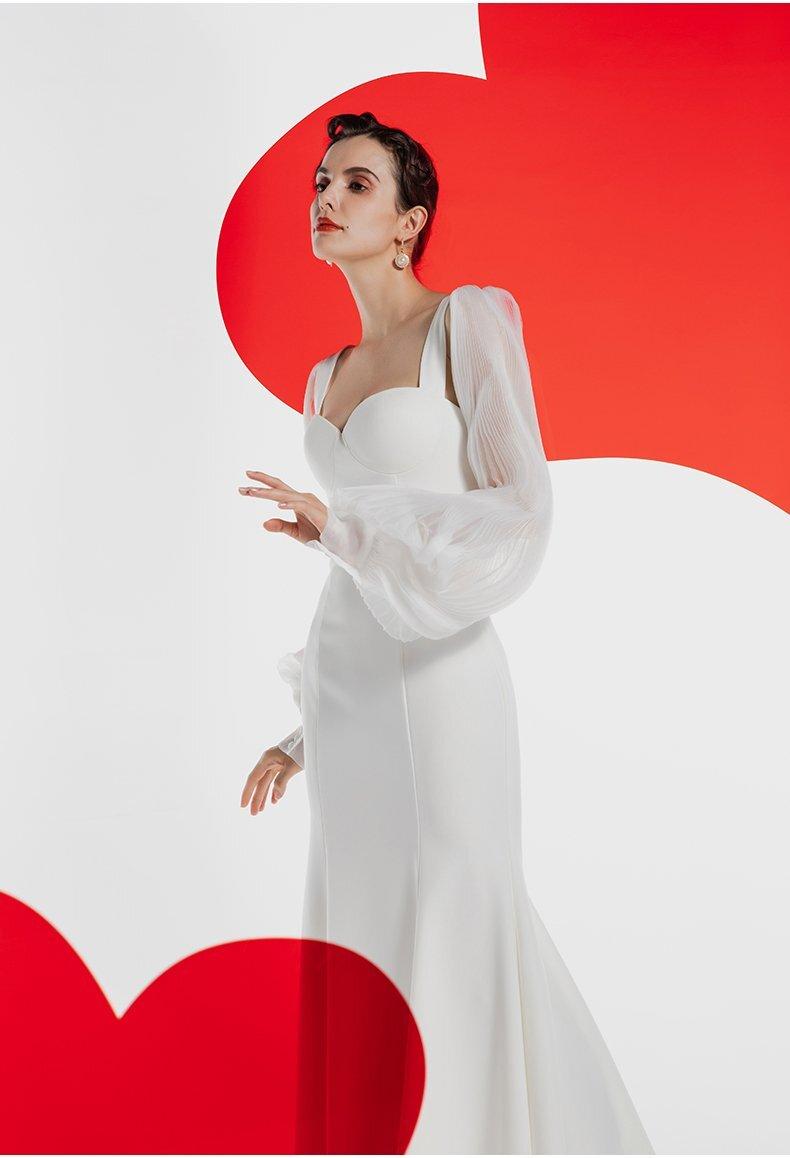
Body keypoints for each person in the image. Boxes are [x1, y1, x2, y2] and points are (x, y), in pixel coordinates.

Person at [239, 111, 653, 1154]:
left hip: (443, 674)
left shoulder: (466, 322)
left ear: (408, 222)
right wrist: (299, 734)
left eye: (357, 185)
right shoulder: (323, 377)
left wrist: (348, 526)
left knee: (462, 900)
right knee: (364, 922)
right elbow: (352, 574)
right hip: (347, 692)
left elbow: (519, 513)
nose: (326, 199)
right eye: (322, 182)